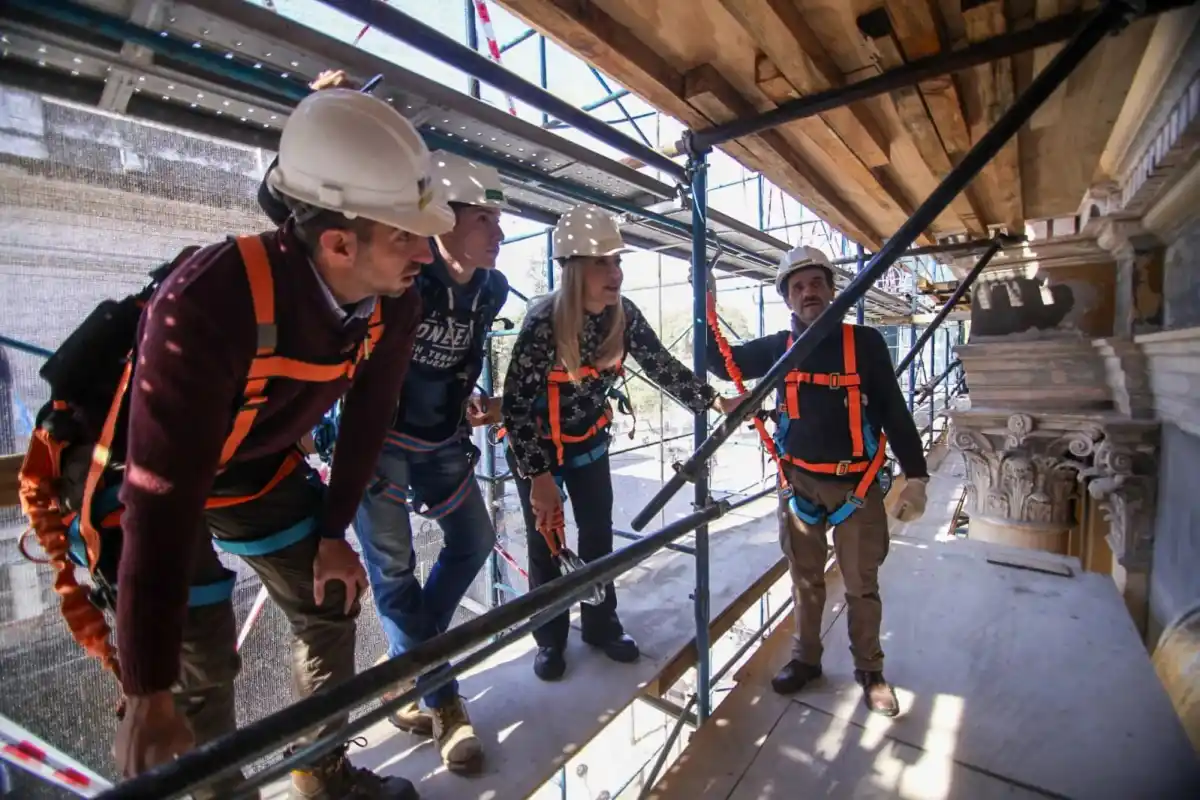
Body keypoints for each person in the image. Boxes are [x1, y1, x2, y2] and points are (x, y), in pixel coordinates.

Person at [99, 88, 452, 799]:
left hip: (251, 465)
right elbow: (159, 501)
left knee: (332, 595)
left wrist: (331, 533)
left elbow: (365, 422)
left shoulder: (395, 301)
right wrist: (146, 692)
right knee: (197, 657)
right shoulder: (209, 301)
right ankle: (220, 791)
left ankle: (319, 773)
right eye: (405, 236)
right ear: (339, 243)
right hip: (149, 474)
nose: (426, 251)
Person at [501, 203, 745, 681]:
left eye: (617, 261)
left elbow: (662, 367)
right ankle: (549, 639)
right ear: (573, 271)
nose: (615, 272)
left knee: (596, 534)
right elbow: (514, 407)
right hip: (539, 448)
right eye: (601, 262)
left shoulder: (623, 316)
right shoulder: (542, 325)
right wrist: (539, 479)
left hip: (588, 439)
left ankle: (600, 623)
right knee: (545, 542)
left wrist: (715, 401)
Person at [704, 245, 928, 717]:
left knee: (860, 584)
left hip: (856, 488)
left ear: (832, 290)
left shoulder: (863, 345)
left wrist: (917, 475)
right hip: (800, 485)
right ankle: (807, 659)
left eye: (817, 284)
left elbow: (892, 409)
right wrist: (705, 298)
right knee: (804, 581)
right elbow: (720, 362)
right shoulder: (777, 349)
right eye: (798, 287)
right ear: (788, 299)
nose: (809, 293)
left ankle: (869, 669)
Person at [351, 152, 509, 776]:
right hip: (378, 438)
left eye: (498, 220)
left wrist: (464, 396)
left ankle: (409, 671)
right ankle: (445, 705)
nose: (498, 234)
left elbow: (459, 357)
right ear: (442, 222)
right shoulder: (406, 279)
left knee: (475, 541)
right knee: (393, 571)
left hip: (440, 436)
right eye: (483, 219)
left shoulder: (491, 290)